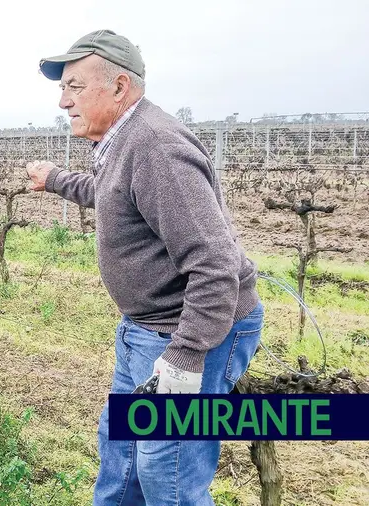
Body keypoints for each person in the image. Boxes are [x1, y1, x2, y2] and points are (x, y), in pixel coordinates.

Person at [27, 30, 264, 505]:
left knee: (167, 475)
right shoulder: (124, 140)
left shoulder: (155, 145)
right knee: (123, 459)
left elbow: (215, 265)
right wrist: (56, 180)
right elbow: (115, 197)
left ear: (119, 87)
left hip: (191, 332)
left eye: (74, 86)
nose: (62, 101)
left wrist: (184, 356)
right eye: (62, 88)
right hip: (145, 329)